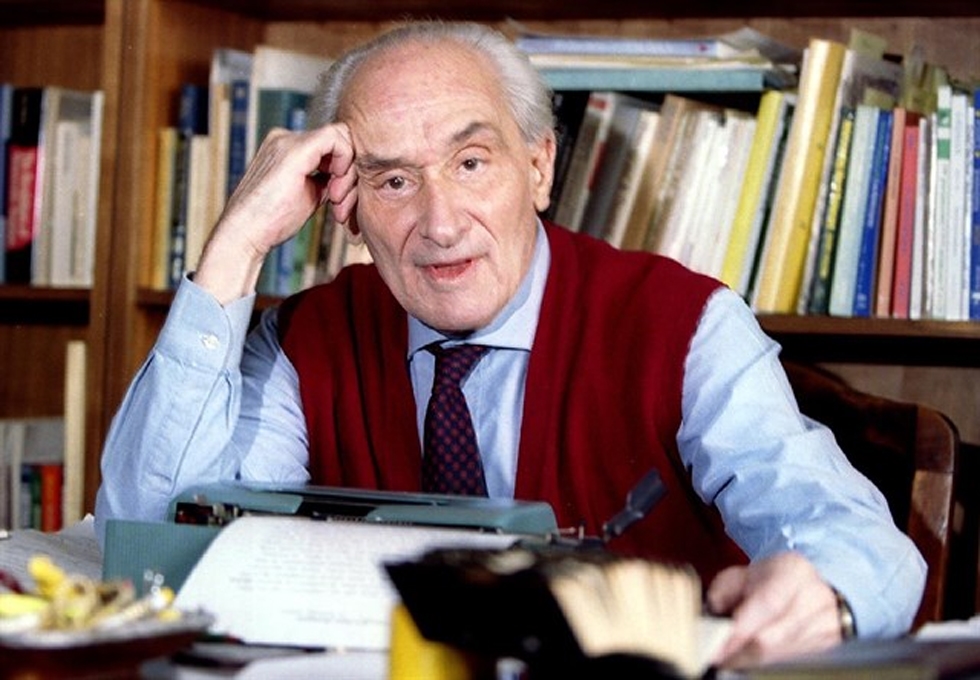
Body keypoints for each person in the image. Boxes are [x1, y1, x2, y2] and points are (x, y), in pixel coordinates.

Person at [95, 21, 925, 668]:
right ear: (343, 208)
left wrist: (828, 594)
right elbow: (153, 545)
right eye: (393, 181)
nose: (440, 223)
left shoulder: (682, 322)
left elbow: (847, 533)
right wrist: (235, 245)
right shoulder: (305, 339)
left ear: (539, 168)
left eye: (471, 162)